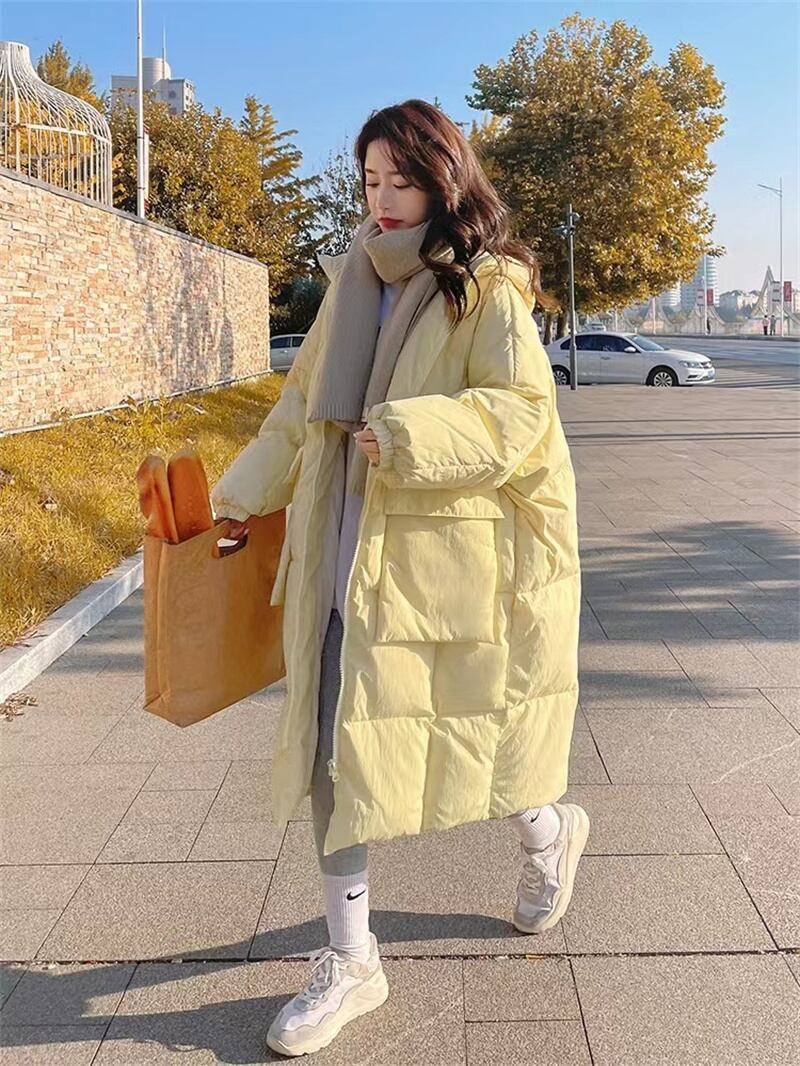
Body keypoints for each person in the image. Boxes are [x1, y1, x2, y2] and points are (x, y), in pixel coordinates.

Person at [211, 98, 587, 1059]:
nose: (382, 198)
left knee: (484, 742)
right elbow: (302, 408)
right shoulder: (352, 281)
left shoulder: (486, 287)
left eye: (401, 179)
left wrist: (411, 431)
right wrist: (243, 494)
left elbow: (521, 414)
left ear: (442, 180)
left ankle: (549, 836)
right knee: (332, 760)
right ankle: (352, 961)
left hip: (437, 569)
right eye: (370, 179)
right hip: (341, 554)